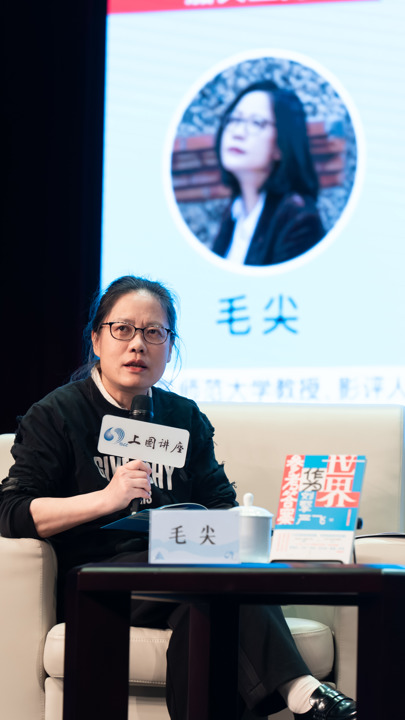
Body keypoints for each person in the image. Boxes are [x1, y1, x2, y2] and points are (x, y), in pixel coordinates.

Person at [0, 275, 356, 720]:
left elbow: (221, 506)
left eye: (154, 332)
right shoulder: (58, 413)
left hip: (184, 572)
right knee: (213, 581)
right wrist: (106, 499)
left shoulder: (183, 417)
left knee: (207, 608)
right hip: (97, 576)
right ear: (96, 339)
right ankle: (303, 690)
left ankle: (300, 693)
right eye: (122, 329)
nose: (138, 344)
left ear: (170, 347)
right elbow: (11, 511)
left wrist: (254, 525)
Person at [212, 80, 325, 266]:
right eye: (234, 120)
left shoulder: (299, 220)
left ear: (281, 145)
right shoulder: (234, 211)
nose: (238, 133)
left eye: (256, 123)